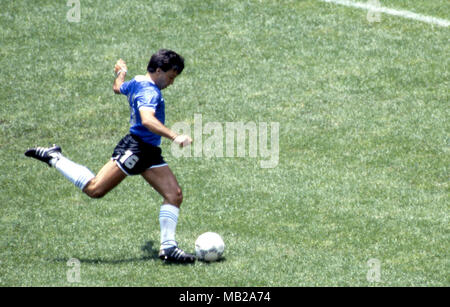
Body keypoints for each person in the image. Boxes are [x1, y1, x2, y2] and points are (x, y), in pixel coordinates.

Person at [25, 49, 196, 263]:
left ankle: (169, 248)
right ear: (159, 70)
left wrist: (121, 72)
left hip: (150, 151)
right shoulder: (150, 92)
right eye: (170, 77)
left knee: (174, 194)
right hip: (135, 149)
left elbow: (118, 88)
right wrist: (175, 136)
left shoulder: (136, 82)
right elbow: (147, 120)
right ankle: (54, 157)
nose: (171, 83)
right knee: (95, 189)